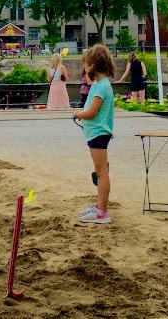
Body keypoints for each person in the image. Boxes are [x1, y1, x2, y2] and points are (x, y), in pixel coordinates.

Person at [73, 44, 115, 224]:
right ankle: (99, 206)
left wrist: (79, 113)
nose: (84, 69)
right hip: (96, 134)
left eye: (85, 65)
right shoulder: (101, 85)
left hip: (98, 134)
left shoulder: (100, 87)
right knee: (100, 171)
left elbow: (91, 112)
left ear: (92, 66)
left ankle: (102, 212)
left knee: (101, 172)